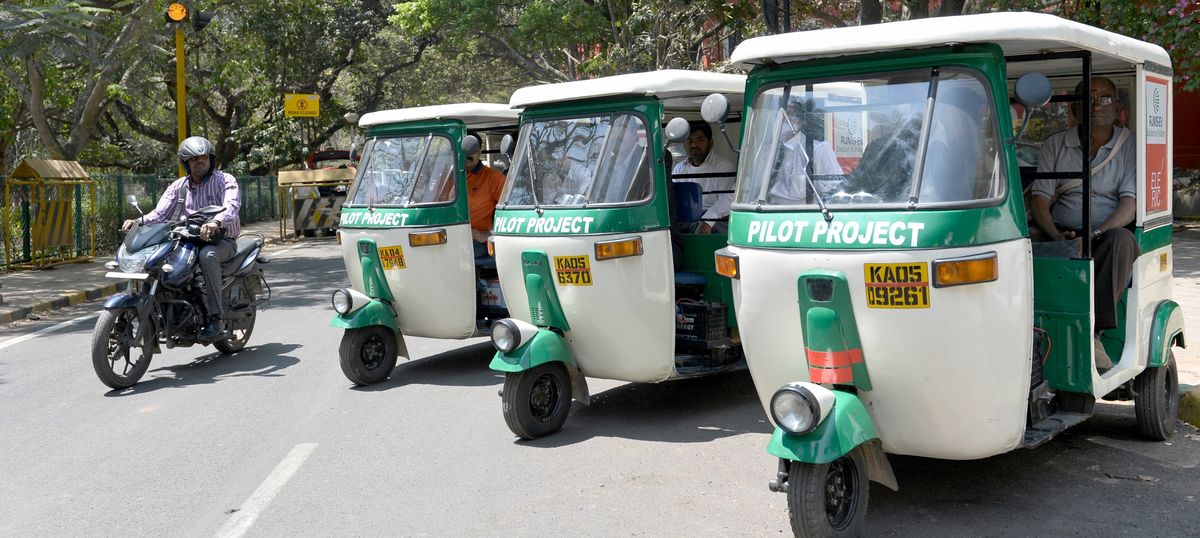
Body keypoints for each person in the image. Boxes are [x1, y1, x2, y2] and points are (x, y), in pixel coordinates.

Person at [1029, 76, 1138, 371]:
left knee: (1122, 241)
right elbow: (1039, 199)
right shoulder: (1056, 144)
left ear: (1117, 107)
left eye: (1105, 98)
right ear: (1074, 108)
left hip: (1104, 234)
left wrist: (1092, 236)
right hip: (1058, 231)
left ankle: (1094, 333)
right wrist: (1056, 236)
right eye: (1087, 99)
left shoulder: (1130, 145)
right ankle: (1025, 320)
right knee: (1019, 241)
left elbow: (1129, 205)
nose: (1096, 105)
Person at [123, 136, 241, 340]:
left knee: (207, 256)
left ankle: (216, 318)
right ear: (186, 163)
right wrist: (137, 221)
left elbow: (232, 205)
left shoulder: (225, 180)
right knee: (159, 261)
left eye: (203, 157)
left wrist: (216, 222)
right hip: (187, 240)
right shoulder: (179, 186)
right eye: (193, 159)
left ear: (211, 159)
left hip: (221, 241)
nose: (199, 161)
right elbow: (160, 214)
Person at [768, 99, 842, 204]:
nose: (783, 121)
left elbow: (833, 191)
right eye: (779, 116)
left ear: (801, 121)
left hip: (800, 211)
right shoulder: (770, 150)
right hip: (767, 209)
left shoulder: (819, 149)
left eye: (789, 116)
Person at [671, 123, 735, 233]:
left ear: (710, 143)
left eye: (700, 139)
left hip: (717, 220)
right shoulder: (679, 168)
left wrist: (707, 221)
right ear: (684, 144)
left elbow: (727, 199)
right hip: (687, 220)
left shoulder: (723, 166)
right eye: (689, 141)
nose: (694, 145)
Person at [462, 135, 506, 258]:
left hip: (476, 241)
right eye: (465, 149)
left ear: (480, 151)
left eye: (473, 149)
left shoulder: (495, 179)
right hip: (451, 236)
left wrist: (485, 235)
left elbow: (511, 214)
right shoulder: (447, 177)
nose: (469, 155)